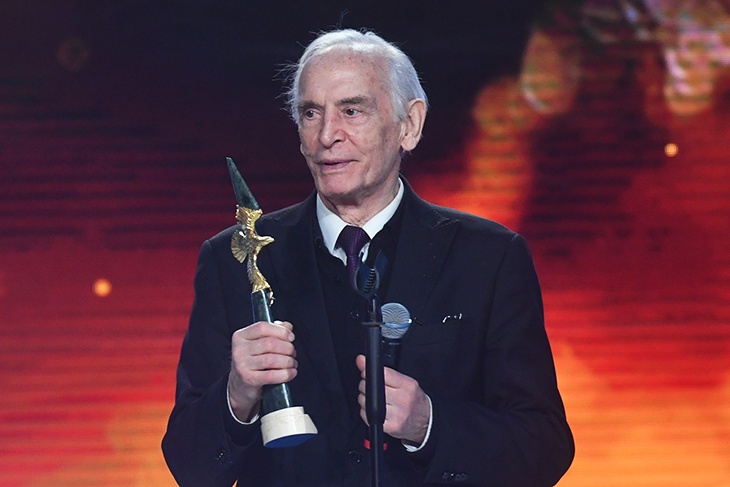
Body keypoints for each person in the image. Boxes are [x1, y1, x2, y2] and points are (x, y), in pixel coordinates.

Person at [162, 28, 574, 486]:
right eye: (311, 113)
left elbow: (545, 447)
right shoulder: (235, 259)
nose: (327, 135)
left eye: (352, 111)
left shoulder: (489, 259)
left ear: (409, 125)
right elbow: (190, 467)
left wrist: (428, 425)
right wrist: (237, 397)